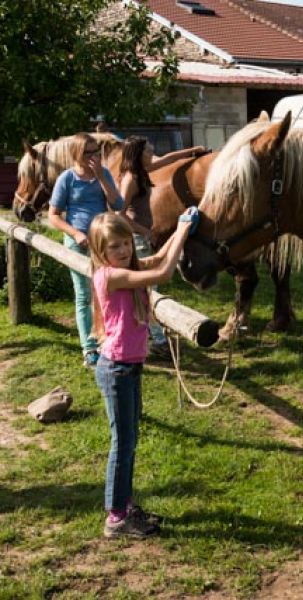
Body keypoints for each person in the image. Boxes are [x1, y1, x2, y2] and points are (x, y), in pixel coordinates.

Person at [88, 209, 198, 539]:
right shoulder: (110, 276)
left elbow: (161, 257)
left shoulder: (127, 268)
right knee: (122, 444)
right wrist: (180, 232)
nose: (123, 251)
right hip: (116, 369)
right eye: (114, 247)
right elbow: (164, 272)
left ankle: (123, 504)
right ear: (100, 251)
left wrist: (182, 228)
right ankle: (116, 518)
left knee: (130, 441)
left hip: (129, 367)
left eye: (125, 244)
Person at [118, 135, 207, 359]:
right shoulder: (130, 178)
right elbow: (119, 215)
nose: (152, 153)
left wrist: (192, 151)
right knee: (149, 290)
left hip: (142, 237)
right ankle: (157, 339)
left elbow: (167, 158)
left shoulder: (143, 170)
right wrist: (144, 231)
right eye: (148, 150)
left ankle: (147, 332)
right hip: (137, 240)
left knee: (147, 289)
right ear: (138, 154)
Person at [48, 133, 124, 368]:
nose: (94, 157)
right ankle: (89, 349)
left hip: (101, 242)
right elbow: (53, 216)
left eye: (96, 152)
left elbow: (118, 204)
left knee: (105, 294)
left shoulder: (104, 173)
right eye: (88, 152)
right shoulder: (67, 178)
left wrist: (101, 176)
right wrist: (76, 234)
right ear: (76, 154)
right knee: (83, 295)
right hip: (77, 243)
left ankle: (107, 339)